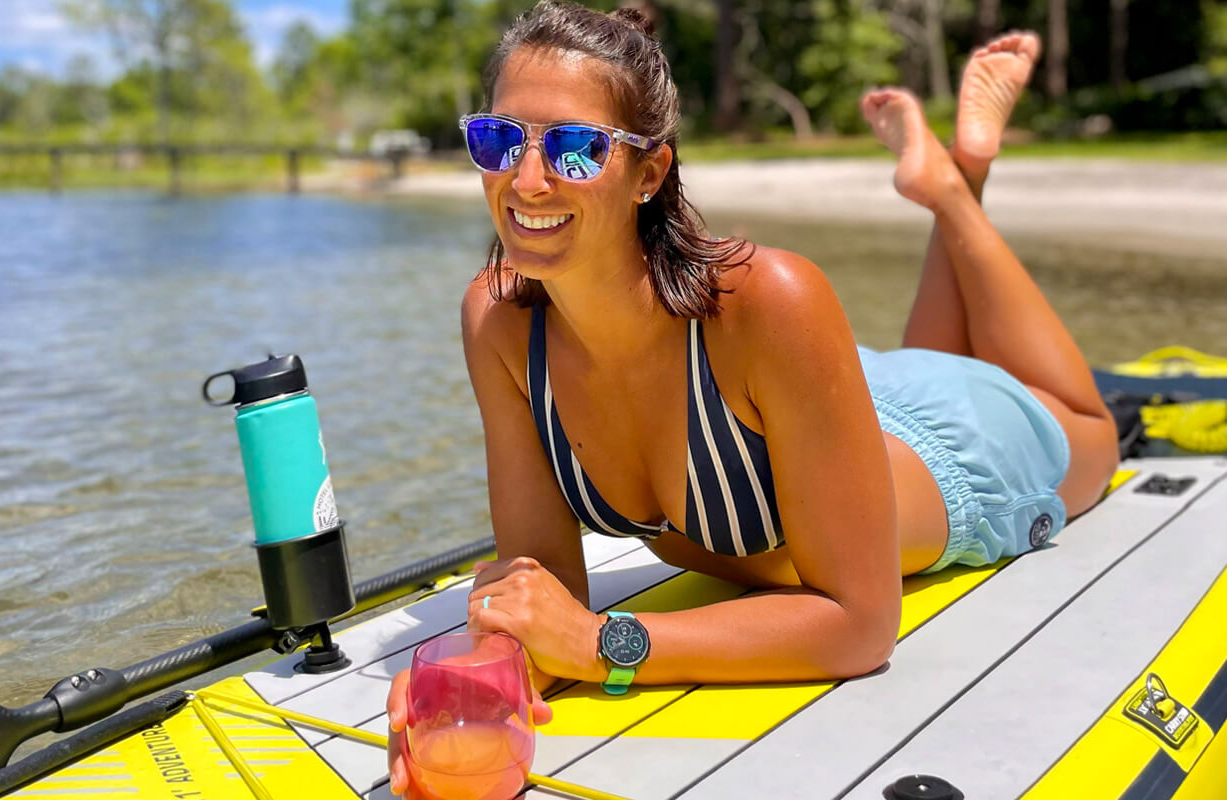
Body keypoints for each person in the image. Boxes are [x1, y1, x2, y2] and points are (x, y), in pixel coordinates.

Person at [387, 2, 1119, 795]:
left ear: (650, 172)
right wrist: (475, 678)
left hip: (956, 461)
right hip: (823, 406)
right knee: (927, 356)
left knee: (1090, 430)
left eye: (575, 148)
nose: (527, 180)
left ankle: (952, 188)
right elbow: (544, 585)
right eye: (499, 140)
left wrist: (607, 643)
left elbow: (860, 627)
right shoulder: (498, 322)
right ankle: (954, 174)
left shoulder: (770, 298)